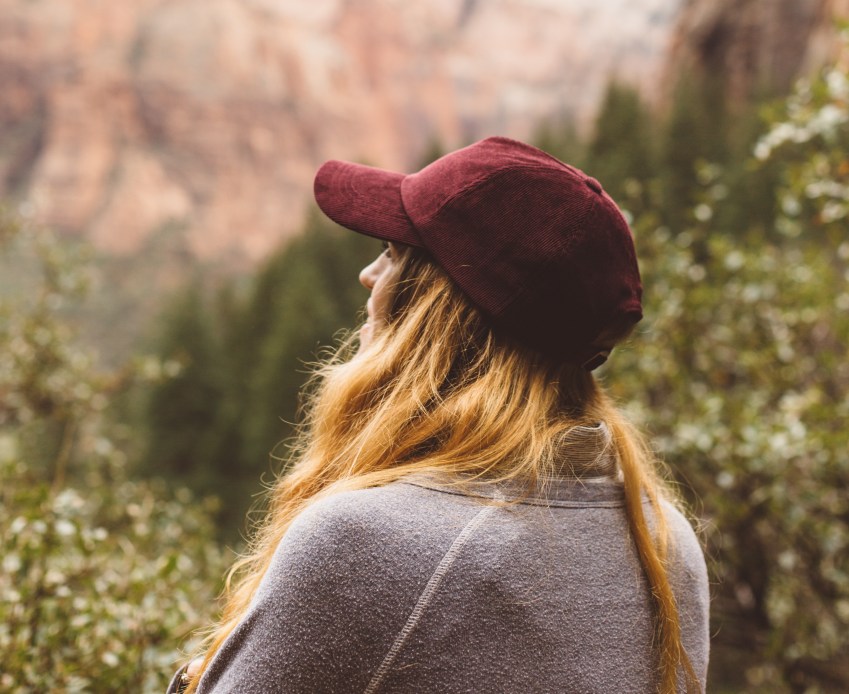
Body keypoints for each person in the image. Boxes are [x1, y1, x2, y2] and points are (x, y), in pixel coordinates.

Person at [168, 136, 710, 693]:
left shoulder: (361, 544)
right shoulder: (666, 545)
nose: (369, 274)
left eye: (394, 253)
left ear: (436, 309)